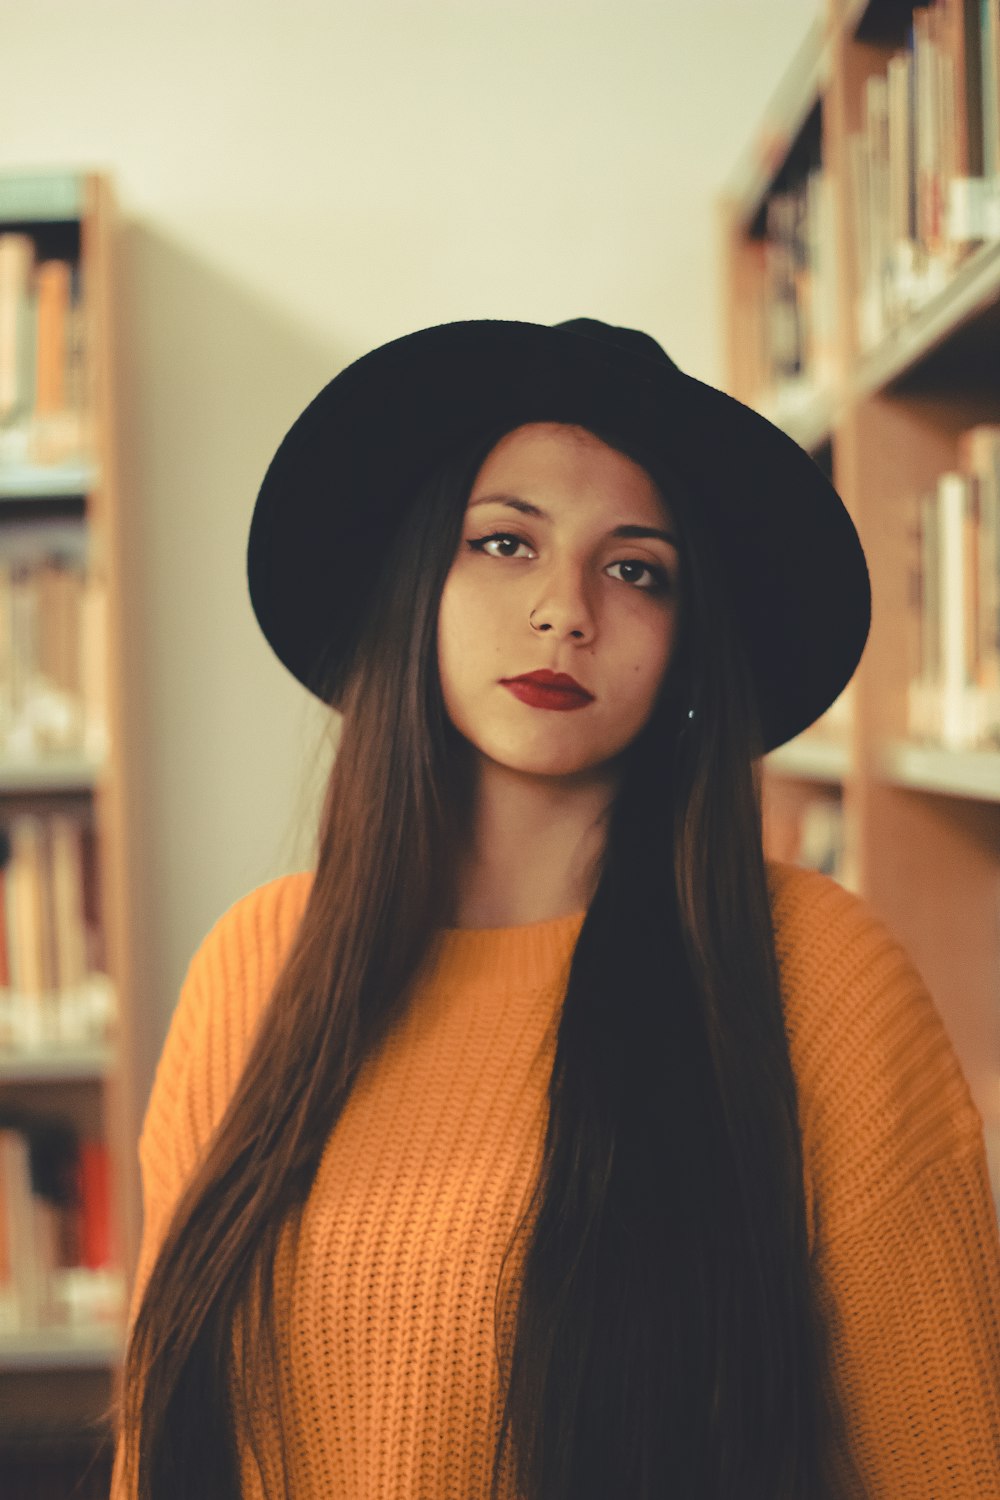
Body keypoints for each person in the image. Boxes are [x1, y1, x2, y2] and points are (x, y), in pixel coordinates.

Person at [107, 318, 1000, 1499]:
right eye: (503, 544)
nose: (564, 610)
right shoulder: (253, 964)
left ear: (689, 647)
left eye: (635, 569)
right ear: (416, 584)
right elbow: (157, 1447)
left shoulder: (816, 978)